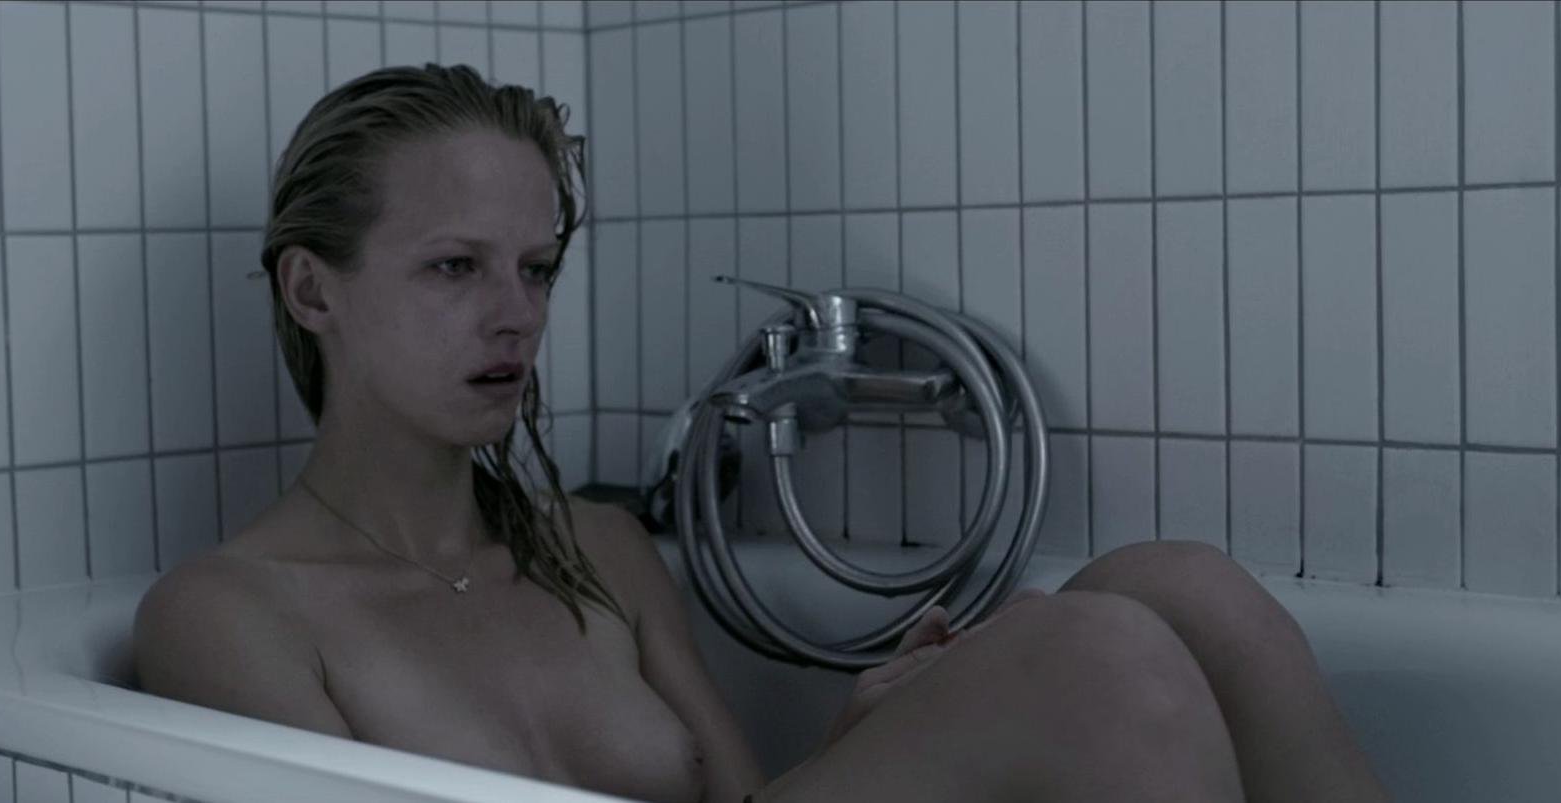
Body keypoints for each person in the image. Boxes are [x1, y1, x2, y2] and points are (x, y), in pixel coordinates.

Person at [133, 64, 1390, 803]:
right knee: (1096, 654)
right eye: (455, 267)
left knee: (1185, 586)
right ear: (313, 290)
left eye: (537, 267)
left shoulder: (593, 548)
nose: (516, 315)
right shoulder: (232, 611)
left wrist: (862, 732)